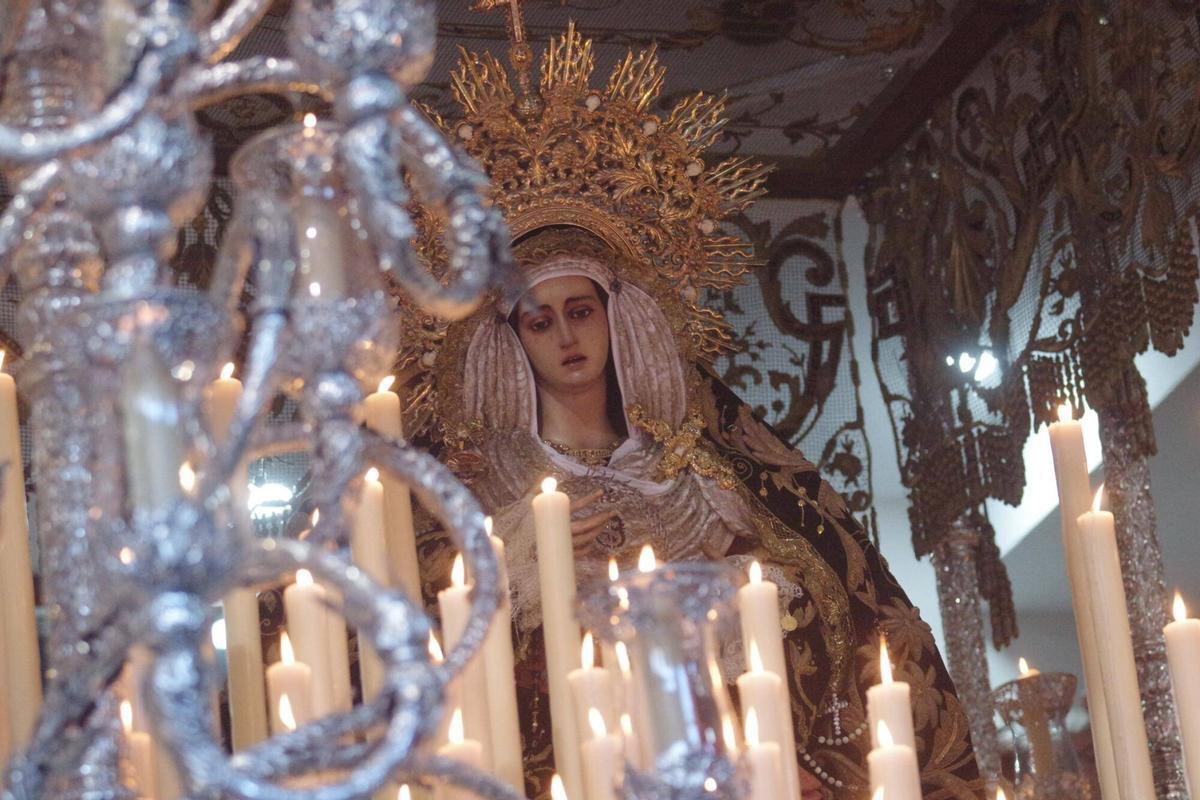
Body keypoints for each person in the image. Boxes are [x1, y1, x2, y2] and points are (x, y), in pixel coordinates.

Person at [400, 18, 983, 800]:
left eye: (583, 309)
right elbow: (403, 643)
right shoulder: (468, 498)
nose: (567, 336)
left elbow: (848, 631)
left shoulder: (713, 476)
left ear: (620, 317)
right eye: (539, 321)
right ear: (510, 343)